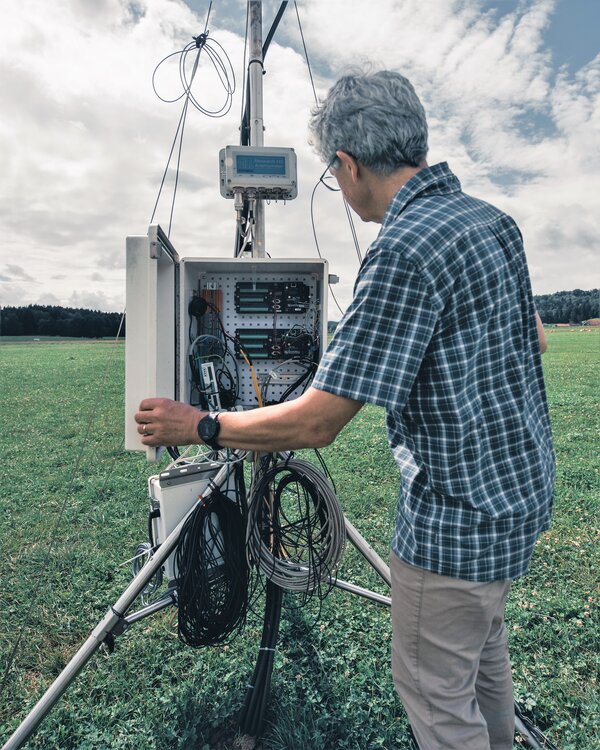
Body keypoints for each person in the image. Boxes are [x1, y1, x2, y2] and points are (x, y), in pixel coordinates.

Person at [135, 70, 555, 750]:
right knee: (482, 661)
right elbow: (531, 335)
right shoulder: (492, 222)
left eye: (334, 174)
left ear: (349, 165)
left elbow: (318, 420)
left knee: (436, 695)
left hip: (456, 523)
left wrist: (201, 425)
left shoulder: (404, 247)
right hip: (520, 501)